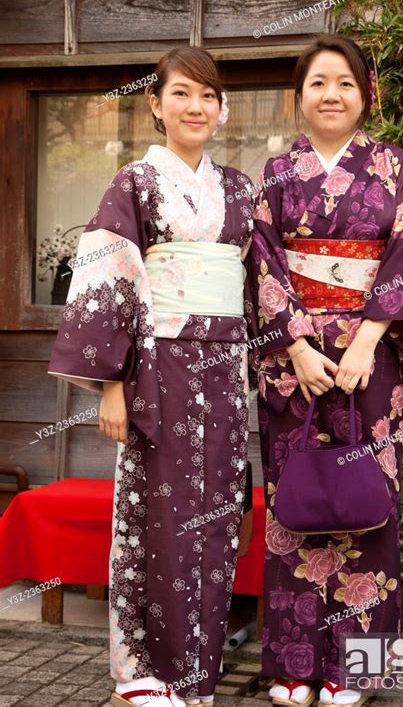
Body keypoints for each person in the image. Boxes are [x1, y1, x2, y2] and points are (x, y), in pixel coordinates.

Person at [48, 46, 254, 707]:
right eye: (183, 94)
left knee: (216, 518)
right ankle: (140, 670)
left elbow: (258, 286)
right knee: (153, 513)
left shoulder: (242, 189)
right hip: (156, 369)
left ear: (221, 111)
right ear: (156, 103)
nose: (197, 107)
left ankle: (195, 672)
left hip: (223, 369)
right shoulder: (132, 184)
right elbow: (110, 278)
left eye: (209, 96)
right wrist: (112, 379)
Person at [245, 34, 403, 707]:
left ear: (366, 94)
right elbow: (262, 263)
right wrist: (295, 344)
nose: (332, 94)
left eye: (346, 83)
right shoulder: (274, 175)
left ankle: (355, 668)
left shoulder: (397, 169)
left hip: (371, 361)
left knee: (367, 506)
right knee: (296, 508)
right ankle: (293, 665)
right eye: (319, 82)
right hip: (294, 365)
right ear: (300, 95)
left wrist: (366, 341)